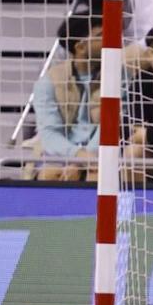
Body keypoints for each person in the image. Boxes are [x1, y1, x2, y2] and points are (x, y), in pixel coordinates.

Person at [29, 12, 100, 180]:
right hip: (61, 154)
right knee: (50, 174)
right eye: (101, 36)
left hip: (100, 153)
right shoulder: (48, 82)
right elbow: (50, 135)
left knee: (97, 177)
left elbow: (113, 127)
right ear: (80, 47)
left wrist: (82, 161)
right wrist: (78, 155)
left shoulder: (118, 76)